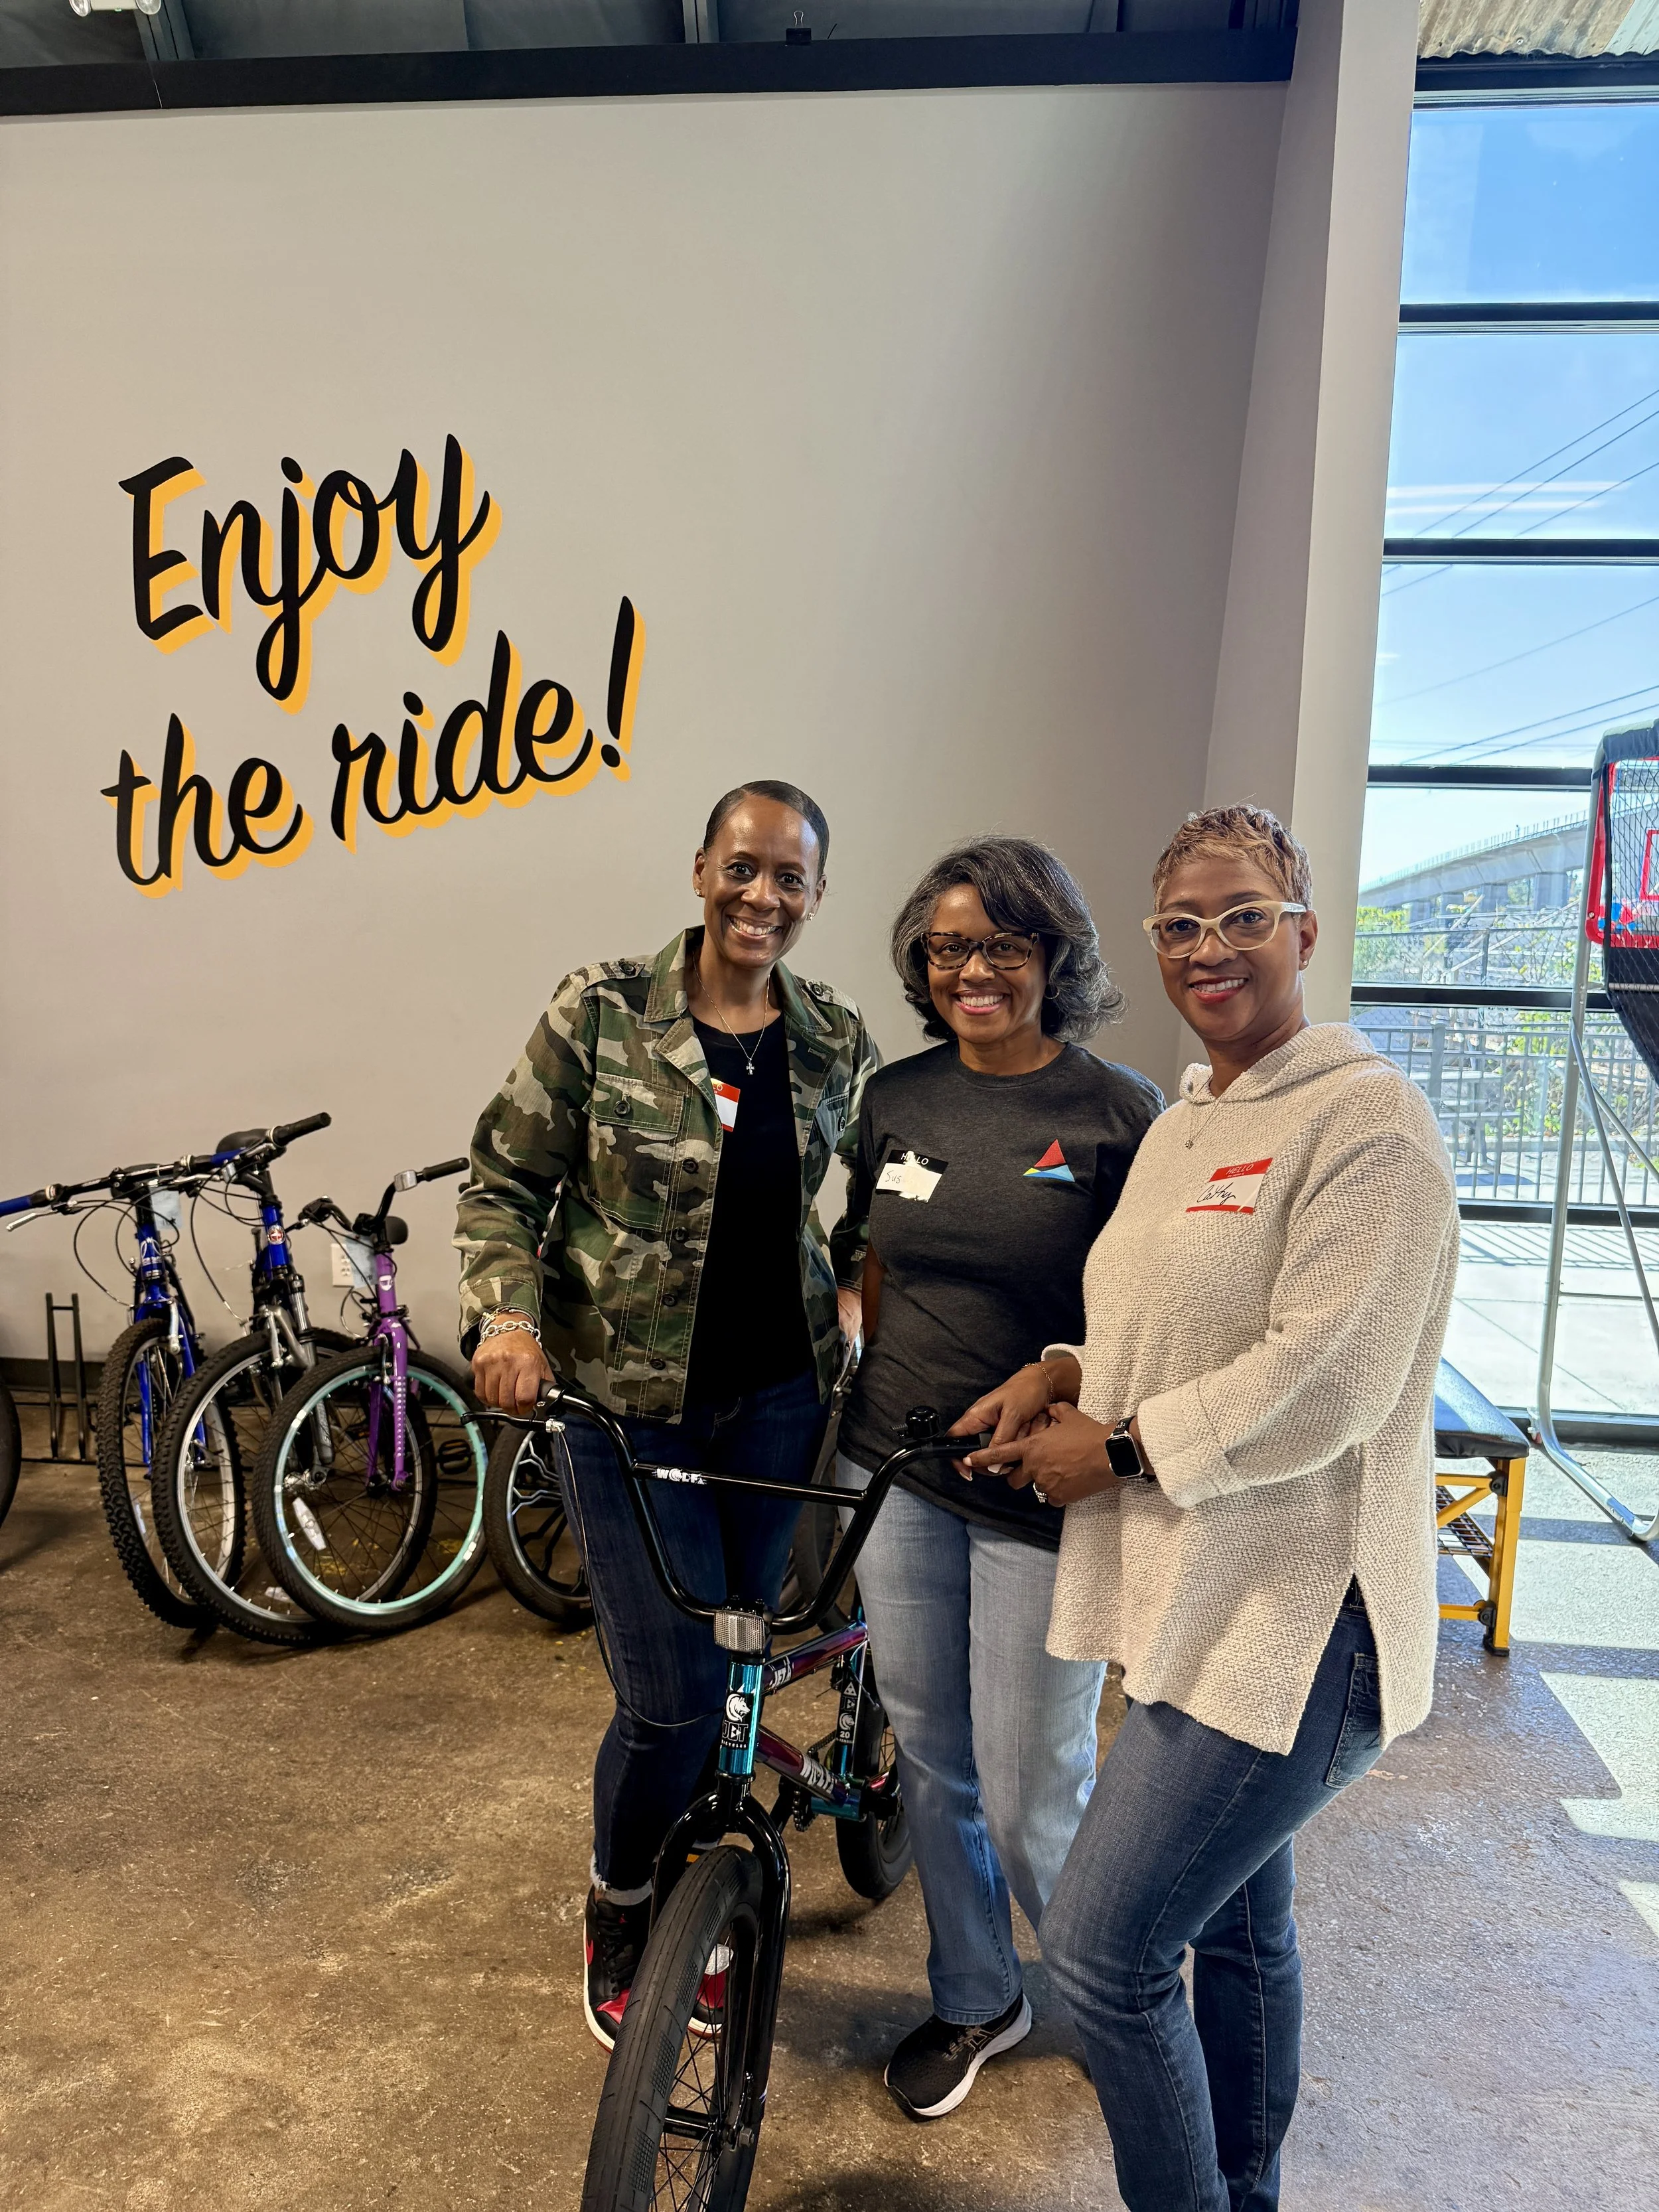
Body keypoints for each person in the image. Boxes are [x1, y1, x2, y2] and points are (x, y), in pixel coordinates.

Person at [954, 804, 1458, 2212]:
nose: (1209, 947)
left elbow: (1329, 1377)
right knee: (1238, 1932)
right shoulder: (1194, 1119)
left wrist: (1111, 1448)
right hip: (1203, 1591)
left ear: (1304, 929)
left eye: (1242, 915)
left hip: (1300, 1619)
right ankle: (1243, 2188)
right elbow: (1153, 1317)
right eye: (1179, 924)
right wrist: (1060, 1367)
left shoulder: (1368, 1123)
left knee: (1106, 1961)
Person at [456, 779, 876, 2049]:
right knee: (672, 1693)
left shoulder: (833, 1041)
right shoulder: (598, 1012)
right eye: (744, 867)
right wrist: (509, 1322)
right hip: (630, 1413)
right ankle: (626, 1896)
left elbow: (873, 1204)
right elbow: (502, 1184)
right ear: (701, 869)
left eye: (791, 878)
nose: (764, 896)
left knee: (744, 1655)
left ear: (815, 896)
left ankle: (709, 1879)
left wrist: (859, 1284)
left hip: (776, 1406)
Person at [836, 837, 1162, 2122]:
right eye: (948, 948)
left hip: (1040, 1488)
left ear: (1052, 957)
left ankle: (1102, 1982)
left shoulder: (1115, 1111)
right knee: (931, 1755)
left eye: (1002, 946)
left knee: (1033, 1785)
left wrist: (1077, 1397)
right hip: (897, 1473)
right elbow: (868, 1261)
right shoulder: (893, 1099)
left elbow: (1145, 1313)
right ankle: (978, 1992)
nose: (971, 969)